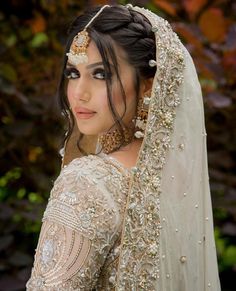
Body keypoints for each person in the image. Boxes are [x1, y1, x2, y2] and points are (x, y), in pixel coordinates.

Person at [26, 4, 221, 291]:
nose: (79, 93)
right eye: (73, 73)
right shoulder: (177, 183)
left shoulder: (86, 183)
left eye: (101, 74)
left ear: (147, 85)